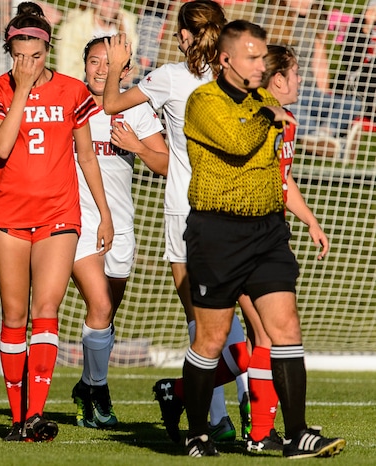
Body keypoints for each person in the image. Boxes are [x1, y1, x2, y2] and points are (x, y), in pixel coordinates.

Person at [181, 19, 345, 458]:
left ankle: (296, 435)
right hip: (217, 232)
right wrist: (267, 113)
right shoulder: (204, 102)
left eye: (261, 56)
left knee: (285, 327)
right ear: (226, 59)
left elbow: (278, 167)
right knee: (211, 341)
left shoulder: (265, 102)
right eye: (251, 57)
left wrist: (307, 217)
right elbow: (236, 142)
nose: (259, 64)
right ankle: (197, 431)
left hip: (267, 231)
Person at [104, 0, 250, 444]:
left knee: (199, 320)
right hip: (233, 207)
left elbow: (111, 103)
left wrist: (116, 66)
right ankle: (248, 418)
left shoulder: (170, 75)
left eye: (180, 30)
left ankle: (206, 408)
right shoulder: (238, 77)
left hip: (186, 212)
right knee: (245, 314)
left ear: (187, 34)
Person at [0, 1, 113, 442]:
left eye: (35, 55)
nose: (28, 62)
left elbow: (87, 155)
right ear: (9, 50)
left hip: (59, 213)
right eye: (20, 54)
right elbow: (1, 147)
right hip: (10, 215)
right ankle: (18, 418)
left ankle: (35, 414)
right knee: (14, 315)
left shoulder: (72, 90)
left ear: (47, 49)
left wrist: (104, 213)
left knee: (46, 310)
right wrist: (21, 89)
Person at [70, 36, 168, 429]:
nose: (100, 69)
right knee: (100, 307)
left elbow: (164, 165)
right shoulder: (67, 104)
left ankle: (87, 386)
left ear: (125, 71)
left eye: (109, 64)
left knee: (107, 317)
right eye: (94, 61)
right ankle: (98, 389)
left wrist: (136, 147)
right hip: (78, 222)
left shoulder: (135, 111)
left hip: (121, 225)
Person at [237, 43, 330, 453]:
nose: (300, 81)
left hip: (269, 237)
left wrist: (310, 220)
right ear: (277, 78)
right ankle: (184, 394)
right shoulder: (250, 117)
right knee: (245, 337)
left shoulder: (286, 122)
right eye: (295, 74)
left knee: (265, 338)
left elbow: (281, 178)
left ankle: (260, 435)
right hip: (236, 237)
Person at [259, 0, 362, 139]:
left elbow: (320, 63)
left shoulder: (315, 18)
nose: (310, 2)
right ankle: (323, 139)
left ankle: (324, 133)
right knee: (290, 106)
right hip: (283, 90)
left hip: (308, 90)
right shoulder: (267, 17)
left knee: (352, 103)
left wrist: (324, 96)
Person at [56, 0, 138, 81]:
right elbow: (66, 66)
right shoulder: (76, 25)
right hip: (84, 80)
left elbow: (134, 62)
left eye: (116, 1)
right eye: (105, 1)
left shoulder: (129, 23)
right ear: (94, 1)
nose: (111, 6)